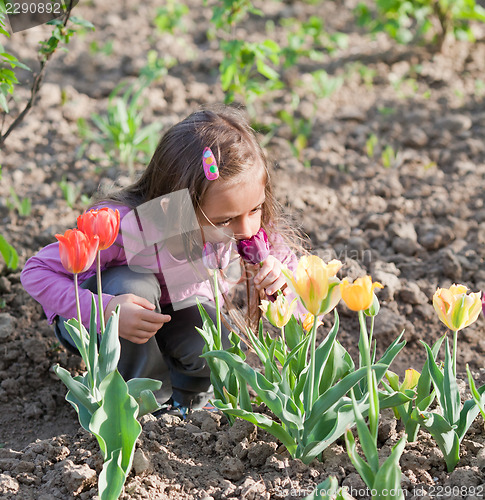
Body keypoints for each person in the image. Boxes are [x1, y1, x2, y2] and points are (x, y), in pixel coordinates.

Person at [21, 105, 306, 414]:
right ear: (175, 207)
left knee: (214, 334)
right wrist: (105, 311)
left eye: (255, 209)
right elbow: (35, 271)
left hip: (170, 315)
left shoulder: (250, 228)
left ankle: (190, 402)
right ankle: (140, 401)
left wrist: (284, 283)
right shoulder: (128, 226)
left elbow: (299, 302)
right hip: (100, 318)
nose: (247, 228)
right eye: (224, 221)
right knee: (134, 284)